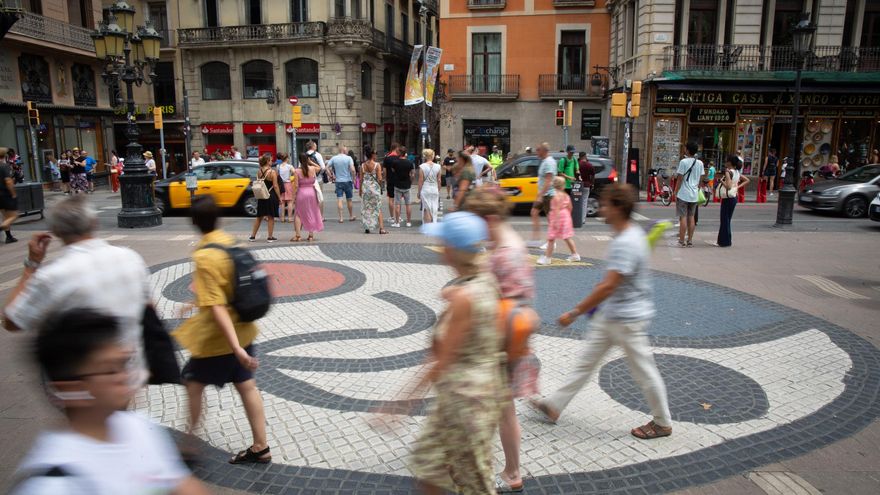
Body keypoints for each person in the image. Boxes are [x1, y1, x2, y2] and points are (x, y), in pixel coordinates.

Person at [9, 309, 209, 495]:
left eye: (125, 364)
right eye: (111, 370)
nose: (126, 376)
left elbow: (183, 485)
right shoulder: (51, 484)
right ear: (71, 389)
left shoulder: (138, 426)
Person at [533, 183, 673, 441]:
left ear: (618, 208)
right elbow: (611, 284)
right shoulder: (628, 235)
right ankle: (554, 405)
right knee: (585, 364)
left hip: (626, 319)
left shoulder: (626, 242)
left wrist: (575, 312)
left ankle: (663, 422)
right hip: (613, 316)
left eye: (607, 204)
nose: (602, 209)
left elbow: (609, 285)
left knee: (644, 371)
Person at [3, 195, 151, 386]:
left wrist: (31, 265)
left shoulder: (54, 276)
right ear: (94, 222)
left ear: (55, 231)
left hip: (84, 384)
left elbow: (12, 320)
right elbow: (148, 306)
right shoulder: (130, 257)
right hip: (130, 371)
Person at [411, 211, 506, 495]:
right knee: (429, 467)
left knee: (474, 484)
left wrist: (399, 403)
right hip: (470, 397)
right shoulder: (485, 279)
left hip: (467, 406)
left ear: (451, 250)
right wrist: (453, 295)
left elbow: (440, 361)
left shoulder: (467, 297)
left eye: (443, 243)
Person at [173, 196, 271, 465]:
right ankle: (261, 446)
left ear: (194, 222)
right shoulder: (230, 242)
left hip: (217, 340)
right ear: (218, 217)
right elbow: (230, 287)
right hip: (244, 328)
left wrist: (235, 349)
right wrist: (195, 303)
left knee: (193, 384)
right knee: (246, 385)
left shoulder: (205, 256)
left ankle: (190, 444)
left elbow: (216, 306)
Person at [465, 188, 537, 494]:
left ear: (491, 219)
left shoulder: (503, 253)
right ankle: (510, 470)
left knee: (492, 408)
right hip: (511, 341)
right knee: (502, 409)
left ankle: (506, 470)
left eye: (477, 222)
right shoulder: (508, 243)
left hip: (500, 343)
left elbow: (496, 302)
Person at [538, 177, 580, 265]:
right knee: (567, 237)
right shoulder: (566, 195)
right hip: (566, 216)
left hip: (557, 218)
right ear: (563, 186)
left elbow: (556, 209)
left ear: (553, 185)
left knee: (551, 238)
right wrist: (567, 216)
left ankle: (547, 258)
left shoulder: (555, 196)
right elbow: (570, 207)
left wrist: (555, 222)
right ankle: (575, 255)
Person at [674, 142, 704, 248]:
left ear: (687, 150)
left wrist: (675, 191)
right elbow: (701, 179)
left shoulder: (683, 162)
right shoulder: (700, 163)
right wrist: (697, 187)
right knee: (691, 217)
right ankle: (690, 240)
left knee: (683, 217)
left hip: (683, 193)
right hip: (694, 194)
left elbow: (680, 178)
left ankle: (681, 241)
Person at [717, 154, 750, 248]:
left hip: (727, 198)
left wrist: (721, 181)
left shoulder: (728, 172)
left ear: (730, 162)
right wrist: (737, 187)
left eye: (727, 161)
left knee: (724, 220)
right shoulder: (736, 172)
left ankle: (724, 241)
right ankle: (726, 240)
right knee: (727, 219)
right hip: (734, 197)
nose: (725, 162)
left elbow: (728, 186)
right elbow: (747, 180)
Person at [248, 154, 281, 243]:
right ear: (267, 161)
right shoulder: (272, 172)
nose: (272, 161)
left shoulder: (259, 171)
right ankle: (270, 237)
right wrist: (279, 198)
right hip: (270, 195)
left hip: (262, 196)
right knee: (271, 217)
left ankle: (252, 236)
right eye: (271, 160)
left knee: (259, 217)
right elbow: (275, 186)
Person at [292, 152, 324, 242]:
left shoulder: (296, 171)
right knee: (311, 212)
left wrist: (293, 196)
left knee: (298, 214)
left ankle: (298, 235)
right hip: (311, 192)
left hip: (301, 193)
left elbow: (296, 185)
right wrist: (311, 162)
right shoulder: (312, 169)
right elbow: (320, 168)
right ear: (307, 160)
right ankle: (310, 235)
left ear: (299, 160)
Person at [530, 143, 556, 247]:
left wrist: (541, 195)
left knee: (550, 219)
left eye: (538, 150)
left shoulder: (549, 162)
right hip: (543, 194)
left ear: (544, 151)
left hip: (548, 195)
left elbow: (549, 181)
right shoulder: (545, 161)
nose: (536, 152)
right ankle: (536, 238)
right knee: (534, 212)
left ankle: (552, 242)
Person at [360, 150, 388, 235]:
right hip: (374, 189)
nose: (376, 156)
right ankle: (382, 228)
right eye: (375, 154)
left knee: (366, 208)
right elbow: (379, 178)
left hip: (365, 188)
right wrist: (379, 186)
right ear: (372, 155)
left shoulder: (362, 165)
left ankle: (367, 227)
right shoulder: (377, 165)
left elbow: (361, 179)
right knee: (377, 207)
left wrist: (360, 190)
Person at [327, 145, 357, 223]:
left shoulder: (334, 158)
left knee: (339, 199)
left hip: (338, 181)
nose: (347, 151)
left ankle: (341, 218)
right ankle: (351, 216)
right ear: (344, 150)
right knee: (349, 199)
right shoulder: (349, 158)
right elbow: (353, 170)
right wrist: (354, 178)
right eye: (346, 150)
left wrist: (331, 176)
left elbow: (326, 167)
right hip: (347, 181)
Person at [391, 147, 415, 228]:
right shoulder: (410, 162)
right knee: (408, 204)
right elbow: (412, 174)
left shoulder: (395, 162)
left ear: (400, 153)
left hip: (397, 185)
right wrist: (410, 181)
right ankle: (408, 222)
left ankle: (397, 223)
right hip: (407, 185)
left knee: (397, 204)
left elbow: (393, 171)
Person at [418, 148, 441, 223]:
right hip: (434, 188)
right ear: (433, 156)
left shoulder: (422, 166)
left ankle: (427, 225)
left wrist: (419, 192)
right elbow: (439, 180)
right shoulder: (438, 166)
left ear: (425, 156)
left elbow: (421, 180)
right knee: (434, 207)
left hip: (425, 189)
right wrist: (438, 189)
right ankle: (434, 223)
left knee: (426, 208)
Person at [1, 148, 19, 244]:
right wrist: (13, 193)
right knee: (14, 215)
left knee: (5, 216)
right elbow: (8, 181)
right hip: (5, 194)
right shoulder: (4, 166)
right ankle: (3, 228)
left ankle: (9, 236)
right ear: (5, 156)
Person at [305, 141, 326, 221]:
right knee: (319, 198)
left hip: (307, 180)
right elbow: (323, 167)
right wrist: (317, 173)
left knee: (309, 199)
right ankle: (320, 216)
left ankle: (310, 216)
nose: (316, 146)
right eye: (315, 145)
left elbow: (300, 167)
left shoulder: (304, 155)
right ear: (313, 146)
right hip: (318, 179)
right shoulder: (318, 155)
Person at [383, 143, 400, 221]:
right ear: (396, 148)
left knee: (391, 198)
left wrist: (385, 179)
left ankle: (392, 217)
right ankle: (398, 217)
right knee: (398, 199)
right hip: (398, 180)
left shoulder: (387, 158)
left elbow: (384, 171)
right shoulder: (399, 158)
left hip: (390, 180)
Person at [578, 151, 595, 223]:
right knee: (584, 202)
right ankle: (583, 219)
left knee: (578, 202)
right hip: (587, 185)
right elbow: (593, 175)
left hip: (578, 185)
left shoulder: (578, 165)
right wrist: (592, 183)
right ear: (585, 156)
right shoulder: (589, 165)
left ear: (579, 157)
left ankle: (577, 217)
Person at [277, 153, 295, 223]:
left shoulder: (278, 166)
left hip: (281, 185)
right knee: (290, 201)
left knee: (282, 202)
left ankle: (282, 218)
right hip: (288, 184)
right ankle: (290, 218)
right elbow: (295, 173)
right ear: (287, 159)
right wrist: (291, 179)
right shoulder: (289, 166)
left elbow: (276, 175)